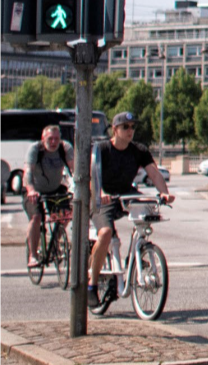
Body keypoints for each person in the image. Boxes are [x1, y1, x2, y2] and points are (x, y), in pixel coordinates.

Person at [88, 112, 174, 309]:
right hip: (104, 195)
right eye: (125, 127)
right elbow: (94, 175)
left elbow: (153, 172)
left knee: (148, 210)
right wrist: (101, 193)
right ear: (115, 129)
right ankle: (92, 284)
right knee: (106, 233)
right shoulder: (101, 149)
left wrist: (164, 193)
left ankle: (137, 252)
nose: (130, 131)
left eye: (132, 127)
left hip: (126, 193)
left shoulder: (138, 150)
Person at [23, 124, 73, 267]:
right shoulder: (35, 149)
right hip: (34, 189)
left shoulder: (65, 148)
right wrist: (31, 190)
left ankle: (55, 240)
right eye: (50, 139)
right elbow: (28, 172)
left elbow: (74, 168)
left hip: (56, 189)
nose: (53, 142)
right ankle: (33, 255)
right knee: (37, 217)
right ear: (43, 138)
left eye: (56, 139)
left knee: (66, 214)